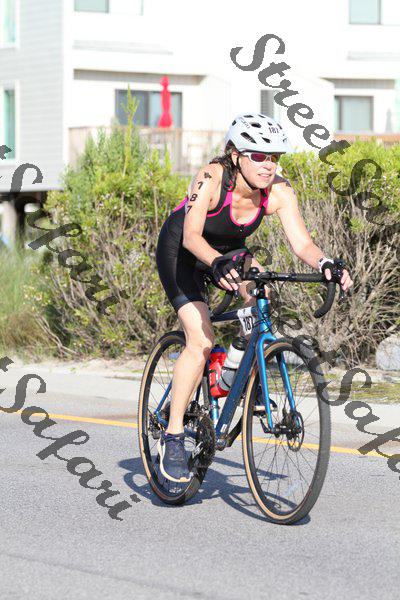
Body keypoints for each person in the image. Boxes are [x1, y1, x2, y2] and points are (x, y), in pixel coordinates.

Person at [155, 113, 353, 483]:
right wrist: (215, 263)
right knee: (201, 340)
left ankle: (234, 368)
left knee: (261, 292)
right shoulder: (211, 177)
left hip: (229, 252)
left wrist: (325, 263)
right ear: (236, 155)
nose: (268, 164)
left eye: (274, 157)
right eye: (259, 156)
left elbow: (302, 243)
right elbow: (192, 236)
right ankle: (174, 434)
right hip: (182, 251)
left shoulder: (279, 191)